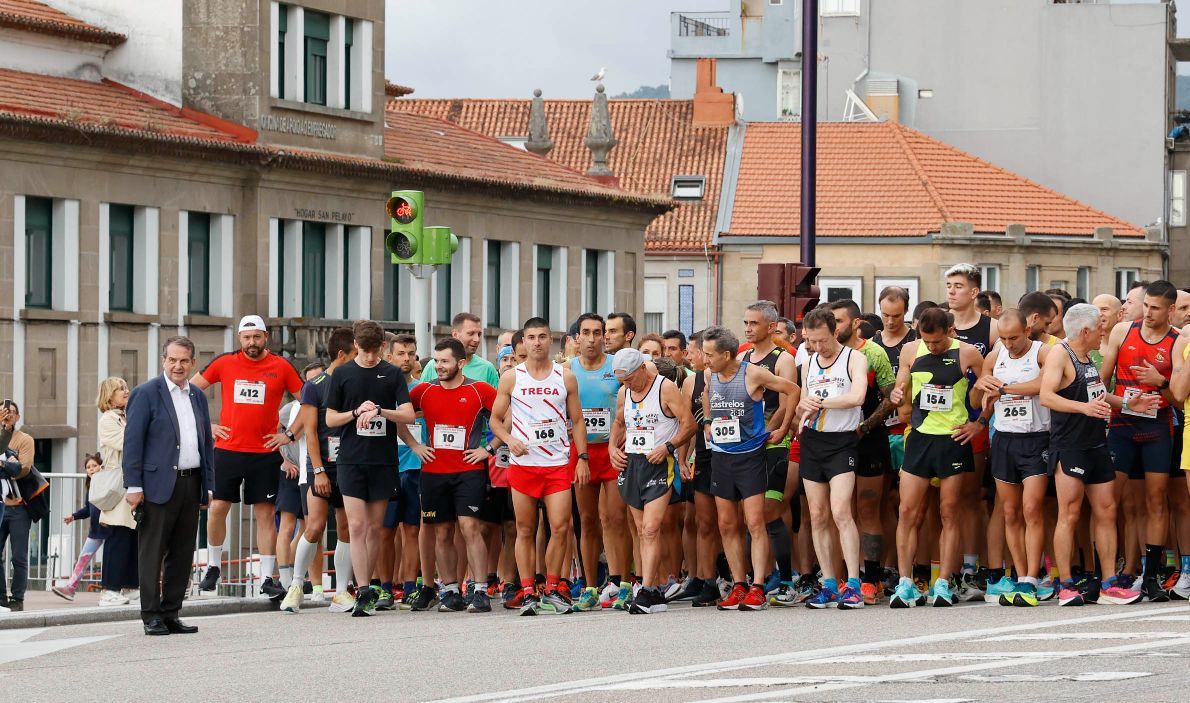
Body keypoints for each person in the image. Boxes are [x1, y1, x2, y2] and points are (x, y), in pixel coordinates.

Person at [192, 315, 304, 597]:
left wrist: (290, 435)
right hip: (228, 450)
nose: (251, 343)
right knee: (218, 508)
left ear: (266, 337)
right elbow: (189, 390)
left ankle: (267, 577)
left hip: (265, 453)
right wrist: (207, 427)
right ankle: (213, 567)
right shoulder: (224, 362)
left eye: (256, 337)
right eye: (246, 337)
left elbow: (310, 401)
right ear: (239, 339)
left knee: (265, 515)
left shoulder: (281, 366)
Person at [1040, 304, 1142, 607]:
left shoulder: (1088, 357)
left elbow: (1096, 392)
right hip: (1069, 445)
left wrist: (1125, 404)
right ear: (1085, 330)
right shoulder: (1062, 353)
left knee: (1107, 511)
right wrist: (1084, 409)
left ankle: (1109, 583)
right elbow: (1047, 395)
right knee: (1069, 514)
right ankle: (1067, 585)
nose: (1103, 331)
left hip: (1096, 443)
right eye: (1100, 326)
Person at [490, 317, 588, 616]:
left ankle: (553, 586)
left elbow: (578, 420)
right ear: (522, 343)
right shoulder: (512, 377)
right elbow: (494, 419)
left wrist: (582, 458)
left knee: (560, 527)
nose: (536, 342)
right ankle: (528, 589)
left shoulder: (565, 376)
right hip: (524, 464)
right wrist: (509, 439)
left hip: (557, 462)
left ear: (550, 339)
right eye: (531, 337)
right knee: (524, 529)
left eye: (542, 336)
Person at [888, 308, 984, 607]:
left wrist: (978, 423)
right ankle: (905, 584)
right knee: (907, 511)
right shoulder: (909, 351)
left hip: (952, 438)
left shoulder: (967, 353)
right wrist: (896, 395)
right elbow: (901, 389)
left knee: (948, 512)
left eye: (938, 342)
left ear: (950, 332)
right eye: (927, 342)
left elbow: (989, 388)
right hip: (919, 437)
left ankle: (943, 582)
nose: (932, 347)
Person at [701, 325, 798, 611]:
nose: (705, 360)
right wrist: (707, 421)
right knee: (726, 524)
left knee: (755, 522)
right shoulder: (710, 374)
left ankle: (757, 585)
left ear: (727, 354)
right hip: (721, 455)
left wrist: (781, 428)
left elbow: (792, 390)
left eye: (709, 355)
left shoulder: (752, 372)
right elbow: (707, 395)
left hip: (751, 455)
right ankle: (739, 584)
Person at [123, 336, 216, 635]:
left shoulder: (197, 396)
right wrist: (133, 486)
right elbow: (133, 444)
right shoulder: (146, 393)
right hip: (156, 486)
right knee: (152, 552)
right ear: (164, 360)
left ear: (192, 364)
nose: (178, 366)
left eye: (184, 361)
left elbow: (206, 443)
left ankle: (171, 611)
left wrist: (209, 486)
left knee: (182, 551)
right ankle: (150, 614)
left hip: (191, 483)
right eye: (172, 360)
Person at [325, 320, 415, 617]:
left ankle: (371, 585)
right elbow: (329, 420)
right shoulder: (342, 373)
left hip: (383, 460)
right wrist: (355, 412)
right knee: (357, 526)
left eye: (374, 352)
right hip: (351, 460)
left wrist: (378, 410)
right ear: (355, 346)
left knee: (377, 528)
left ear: (382, 348)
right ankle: (362, 590)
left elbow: (408, 414)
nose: (369, 357)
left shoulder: (391, 374)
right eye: (364, 352)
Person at [402, 338, 498, 613]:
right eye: (436, 361)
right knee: (442, 531)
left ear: (460, 363)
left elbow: (510, 415)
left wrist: (488, 449)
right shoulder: (424, 391)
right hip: (433, 472)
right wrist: (414, 445)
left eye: (445, 361)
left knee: (470, 527)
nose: (439, 366)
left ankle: (480, 590)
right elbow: (400, 415)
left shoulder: (479, 390)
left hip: (469, 469)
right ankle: (451, 590)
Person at [1098, 280, 1180, 601]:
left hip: (1158, 431)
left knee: (1156, 502)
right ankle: (1105, 576)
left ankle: (1150, 577)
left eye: (1156, 308)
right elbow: (1100, 384)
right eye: (1145, 305)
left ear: (1170, 310)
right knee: (1109, 501)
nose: (1148, 313)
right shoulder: (1123, 332)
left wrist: (1160, 383)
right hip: (1121, 429)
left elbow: (1179, 398)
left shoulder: (1176, 341)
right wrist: (1122, 403)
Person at [973, 309, 1053, 607]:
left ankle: (1033, 577)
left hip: (1036, 437)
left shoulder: (1043, 353)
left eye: (1014, 337)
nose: (1009, 343)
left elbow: (1042, 387)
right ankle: (1021, 577)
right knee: (1009, 512)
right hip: (1004, 439)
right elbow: (980, 398)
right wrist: (980, 388)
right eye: (1004, 338)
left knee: (1032, 508)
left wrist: (1004, 389)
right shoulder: (995, 357)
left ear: (1027, 330)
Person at [608, 348, 697, 614]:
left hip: (659, 464)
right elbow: (619, 422)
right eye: (622, 381)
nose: (626, 385)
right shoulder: (625, 391)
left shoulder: (665, 388)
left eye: (630, 379)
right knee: (640, 528)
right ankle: (656, 587)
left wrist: (668, 448)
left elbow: (688, 424)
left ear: (643, 369)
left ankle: (646, 590)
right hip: (633, 464)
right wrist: (612, 448)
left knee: (650, 529)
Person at [797, 307, 870, 610]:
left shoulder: (854, 358)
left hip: (842, 441)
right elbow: (803, 399)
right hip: (813, 440)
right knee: (817, 514)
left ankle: (852, 582)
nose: (818, 347)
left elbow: (857, 397)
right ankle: (828, 582)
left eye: (823, 341)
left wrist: (823, 402)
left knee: (841, 511)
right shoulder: (809, 360)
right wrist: (805, 407)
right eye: (812, 341)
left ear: (835, 333)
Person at [282, 327, 356, 614]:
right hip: (321, 466)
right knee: (314, 525)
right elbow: (310, 432)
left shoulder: (356, 381)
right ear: (342, 354)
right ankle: (296, 586)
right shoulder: (315, 385)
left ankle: (340, 591)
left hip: (349, 465)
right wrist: (319, 470)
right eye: (355, 353)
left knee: (346, 527)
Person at [830, 300, 896, 606]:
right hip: (833, 440)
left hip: (868, 439)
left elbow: (890, 398)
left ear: (856, 323)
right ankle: (845, 576)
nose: (835, 327)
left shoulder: (873, 352)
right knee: (840, 510)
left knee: (868, 509)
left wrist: (865, 427)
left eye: (840, 321)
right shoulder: (823, 354)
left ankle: (872, 578)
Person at [568, 314, 630, 612]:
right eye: (586, 333)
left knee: (615, 518)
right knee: (587, 520)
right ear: (576, 338)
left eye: (597, 333)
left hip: (612, 450)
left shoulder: (616, 367)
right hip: (581, 452)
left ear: (605, 336)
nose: (592, 338)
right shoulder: (567, 370)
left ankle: (621, 581)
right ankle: (590, 585)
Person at [738, 301, 799, 602]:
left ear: (771, 327)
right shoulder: (743, 356)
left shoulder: (782, 358)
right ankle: (759, 577)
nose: (748, 328)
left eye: (754, 323)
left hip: (774, 442)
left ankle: (787, 578)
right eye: (746, 323)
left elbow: (789, 400)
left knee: (770, 511)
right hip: (745, 443)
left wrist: (772, 431)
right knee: (751, 515)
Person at [682, 331, 724, 607]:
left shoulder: (732, 374)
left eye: (693, 351)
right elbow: (688, 423)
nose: (689, 356)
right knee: (704, 522)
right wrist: (684, 456)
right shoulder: (690, 381)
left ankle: (736, 576)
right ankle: (707, 580)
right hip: (704, 456)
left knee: (734, 522)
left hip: (733, 454)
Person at [95, 377, 139, 606]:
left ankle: (131, 585)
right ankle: (109, 589)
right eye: (120, 389)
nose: (125, 391)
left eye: (126, 387)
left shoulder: (126, 416)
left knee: (133, 536)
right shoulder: (108, 420)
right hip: (118, 483)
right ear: (109, 395)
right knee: (117, 536)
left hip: (131, 482)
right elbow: (128, 443)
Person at [53, 454, 110, 601]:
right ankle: (70, 588)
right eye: (88, 467)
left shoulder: (108, 483)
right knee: (82, 560)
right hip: (96, 531)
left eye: (94, 466)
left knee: (113, 561)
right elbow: (87, 509)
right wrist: (74, 516)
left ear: (101, 467)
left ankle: (120, 588)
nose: (91, 469)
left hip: (111, 529)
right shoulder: (90, 487)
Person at [0, 402, 35, 612]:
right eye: (4, 412)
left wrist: (5, 466)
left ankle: (18, 597)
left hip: (19, 505)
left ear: (18, 416)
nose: (8, 416)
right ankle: (1, 596)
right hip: (2, 502)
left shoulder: (25, 440)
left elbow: (23, 469)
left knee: (18, 556)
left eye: (11, 413)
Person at [421, 312, 500, 388]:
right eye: (471, 333)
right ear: (455, 334)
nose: (477, 339)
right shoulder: (432, 366)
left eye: (479, 334)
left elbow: (496, 400)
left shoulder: (487, 368)